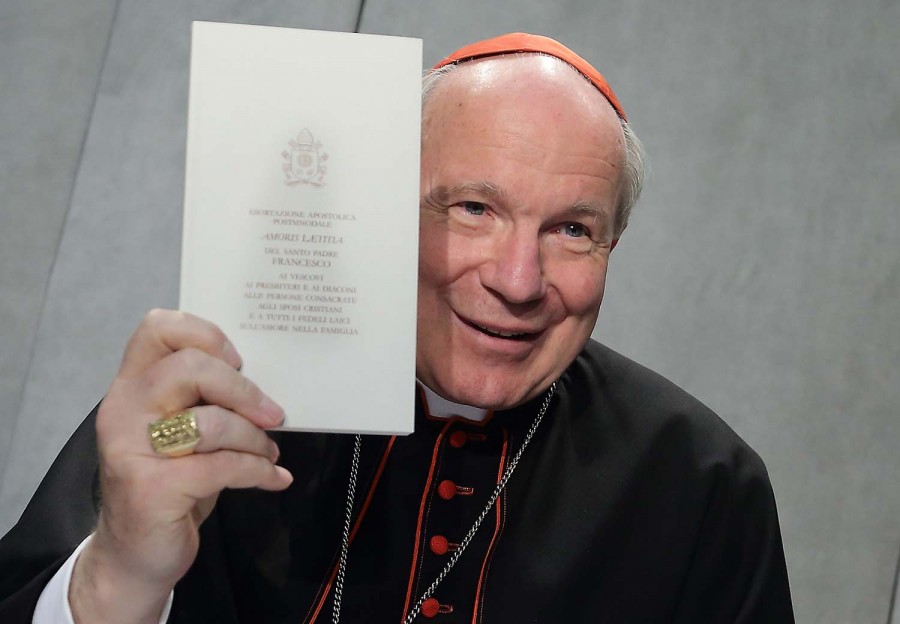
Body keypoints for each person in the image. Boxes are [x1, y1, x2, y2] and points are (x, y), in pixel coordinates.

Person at [0, 33, 794, 622]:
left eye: (574, 230)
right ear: (383, 204)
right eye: (473, 209)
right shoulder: (215, 403)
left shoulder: (704, 486)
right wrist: (120, 573)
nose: (517, 281)